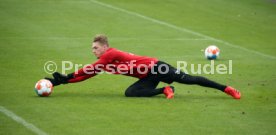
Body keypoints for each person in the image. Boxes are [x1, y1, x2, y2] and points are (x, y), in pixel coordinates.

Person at [45, 34, 241, 99]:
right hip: (147, 77)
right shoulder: (104, 63)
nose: (93, 50)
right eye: (92, 48)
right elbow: (87, 75)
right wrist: (60, 82)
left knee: (190, 79)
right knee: (130, 93)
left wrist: (66, 75)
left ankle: (227, 89)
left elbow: (86, 69)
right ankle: (165, 89)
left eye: (96, 48)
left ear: (105, 47)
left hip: (157, 67)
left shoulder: (110, 54)